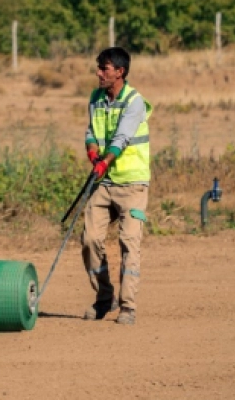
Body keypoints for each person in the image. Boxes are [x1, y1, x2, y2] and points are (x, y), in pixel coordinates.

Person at [82, 47, 152, 325]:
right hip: (104, 182)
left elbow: (122, 137)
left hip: (132, 183)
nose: (99, 73)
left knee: (129, 243)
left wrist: (105, 159)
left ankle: (127, 306)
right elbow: (91, 130)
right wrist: (90, 149)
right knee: (89, 241)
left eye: (105, 68)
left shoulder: (134, 102)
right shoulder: (96, 98)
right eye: (98, 67)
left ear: (120, 72)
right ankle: (104, 298)